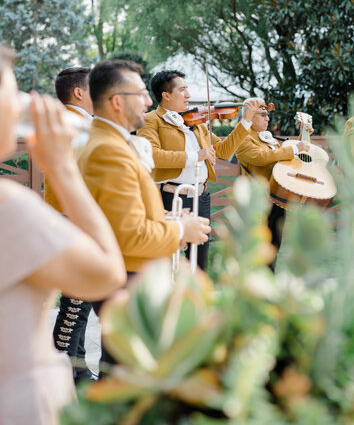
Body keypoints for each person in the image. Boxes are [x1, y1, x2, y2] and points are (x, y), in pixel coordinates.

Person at [0, 46, 126, 425]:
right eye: (14, 92)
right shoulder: (9, 207)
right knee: (73, 317)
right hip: (21, 405)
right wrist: (61, 168)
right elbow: (107, 273)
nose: (23, 102)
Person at [76, 60, 210, 369]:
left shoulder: (107, 141)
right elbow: (130, 235)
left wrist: (168, 219)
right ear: (118, 102)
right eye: (141, 93)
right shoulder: (108, 150)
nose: (149, 100)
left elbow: (122, 213)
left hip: (128, 277)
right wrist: (180, 232)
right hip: (129, 281)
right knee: (129, 375)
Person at [137, 70, 263, 270]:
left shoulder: (196, 122)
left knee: (200, 257)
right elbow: (154, 155)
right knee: (167, 256)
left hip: (201, 195)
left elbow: (224, 150)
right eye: (183, 90)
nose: (188, 95)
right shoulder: (152, 120)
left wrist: (246, 120)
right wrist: (198, 156)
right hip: (171, 196)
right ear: (166, 95)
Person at [45, 67, 96, 383]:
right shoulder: (73, 123)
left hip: (75, 217)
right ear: (79, 92)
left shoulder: (78, 122)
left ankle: (76, 369)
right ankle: (69, 372)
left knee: (80, 302)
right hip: (74, 219)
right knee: (76, 303)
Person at [235, 101, 309, 255]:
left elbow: (284, 157)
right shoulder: (242, 138)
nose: (267, 118)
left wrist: (304, 135)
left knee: (275, 246)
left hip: (276, 196)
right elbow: (264, 157)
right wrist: (295, 148)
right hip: (259, 202)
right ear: (249, 117)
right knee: (261, 249)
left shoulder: (267, 137)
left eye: (267, 115)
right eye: (262, 115)